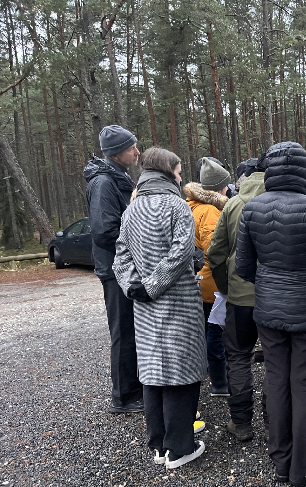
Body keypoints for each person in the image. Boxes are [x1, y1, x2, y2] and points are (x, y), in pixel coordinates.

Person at [236, 141, 306, 487]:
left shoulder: (252, 209)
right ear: (304, 171)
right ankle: (302, 466)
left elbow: (243, 267)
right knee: (305, 384)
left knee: (276, 380)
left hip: (269, 312)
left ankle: (282, 461)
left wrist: (270, 286)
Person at [113, 147, 208, 468]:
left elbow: (120, 256)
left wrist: (133, 287)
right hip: (178, 303)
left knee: (153, 372)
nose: (181, 177)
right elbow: (182, 252)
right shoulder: (177, 206)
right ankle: (179, 448)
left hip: (145, 306)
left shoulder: (132, 209)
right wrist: (153, 285)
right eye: (179, 171)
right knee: (182, 372)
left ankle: (159, 445)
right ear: (168, 171)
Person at [207, 157, 268, 442]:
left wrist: (226, 287)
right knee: (276, 358)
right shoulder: (283, 200)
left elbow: (216, 253)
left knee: (239, 356)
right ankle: (274, 420)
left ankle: (241, 422)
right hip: (275, 297)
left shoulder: (233, 205)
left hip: (240, 298)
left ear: (243, 179)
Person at [83, 125, 143, 414]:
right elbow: (103, 230)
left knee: (133, 328)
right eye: (132, 148)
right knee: (123, 331)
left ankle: (136, 387)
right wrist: (139, 244)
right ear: (117, 153)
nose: (137, 152)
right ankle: (124, 397)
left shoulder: (119, 177)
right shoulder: (103, 183)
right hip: (115, 269)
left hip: (125, 266)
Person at [184, 157, 230, 397]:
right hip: (211, 283)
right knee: (215, 334)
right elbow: (215, 251)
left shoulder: (190, 206)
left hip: (197, 282)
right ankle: (220, 382)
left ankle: (205, 376)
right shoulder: (210, 211)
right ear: (220, 187)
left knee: (203, 333)